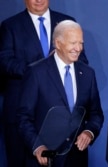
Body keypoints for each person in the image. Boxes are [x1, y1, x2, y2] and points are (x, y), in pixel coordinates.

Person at [0, 1, 88, 166]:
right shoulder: (10, 26)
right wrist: (41, 68)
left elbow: (82, 61)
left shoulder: (67, 22)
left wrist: (62, 61)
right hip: (23, 113)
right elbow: (4, 62)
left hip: (62, 117)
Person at [16, 20, 104, 167]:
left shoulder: (88, 73)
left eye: (81, 43)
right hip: (45, 159)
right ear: (58, 43)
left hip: (77, 159)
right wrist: (37, 146)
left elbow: (96, 113)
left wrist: (89, 132)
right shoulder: (36, 72)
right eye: (73, 43)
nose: (78, 48)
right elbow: (23, 117)